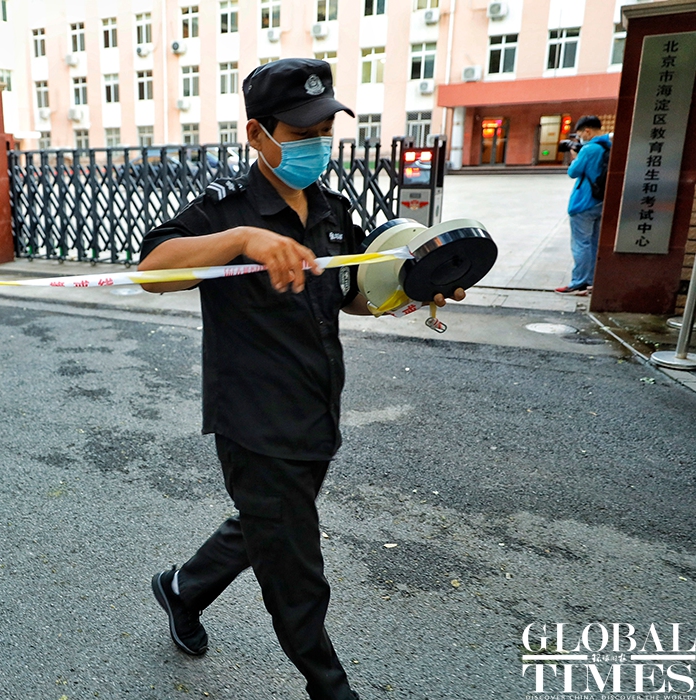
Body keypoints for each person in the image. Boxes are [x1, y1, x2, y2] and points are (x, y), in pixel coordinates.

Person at [138, 58, 464, 700]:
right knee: (296, 570)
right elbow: (153, 270)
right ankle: (330, 688)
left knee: (270, 523)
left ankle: (183, 588)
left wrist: (410, 291)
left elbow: (351, 295)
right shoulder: (225, 210)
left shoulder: (331, 210)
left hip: (316, 409)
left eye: (324, 131)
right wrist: (241, 240)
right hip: (253, 421)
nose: (316, 144)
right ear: (257, 134)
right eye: (300, 133)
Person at [555, 115, 611, 295]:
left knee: (581, 244)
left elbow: (573, 172)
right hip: (600, 201)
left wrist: (575, 156)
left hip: (584, 202)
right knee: (594, 243)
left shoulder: (589, 149)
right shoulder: (609, 146)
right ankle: (592, 281)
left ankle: (578, 282)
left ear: (587, 131)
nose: (580, 138)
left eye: (580, 134)